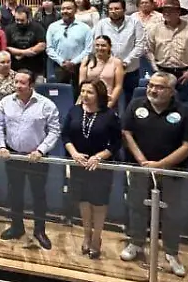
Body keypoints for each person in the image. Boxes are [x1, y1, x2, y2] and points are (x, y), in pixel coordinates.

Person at [119, 72, 188, 277]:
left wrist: (160, 165)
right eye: (151, 85)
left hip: (173, 173)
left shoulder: (185, 113)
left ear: (172, 91)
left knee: (173, 214)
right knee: (137, 207)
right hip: (141, 169)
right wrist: (143, 161)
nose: (153, 90)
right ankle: (136, 243)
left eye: (159, 87)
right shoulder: (136, 105)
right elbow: (126, 133)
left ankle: (171, 252)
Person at [0, 70, 60, 250]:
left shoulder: (46, 105)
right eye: (16, 82)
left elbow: (54, 131)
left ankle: (40, 231)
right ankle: (17, 227)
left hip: (37, 158)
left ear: (31, 85)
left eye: (22, 83)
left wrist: (41, 150)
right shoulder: (5, 102)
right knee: (14, 193)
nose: (18, 86)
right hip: (13, 155)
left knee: (39, 195)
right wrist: (1, 146)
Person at [62, 80, 121, 259]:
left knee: (98, 203)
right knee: (84, 201)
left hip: (100, 166)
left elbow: (116, 143)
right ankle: (87, 235)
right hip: (79, 164)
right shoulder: (74, 111)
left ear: (99, 95)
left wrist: (99, 156)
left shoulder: (109, 115)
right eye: (83, 91)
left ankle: (96, 238)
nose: (85, 96)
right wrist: (74, 153)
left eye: (90, 92)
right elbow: (65, 135)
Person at [144, 0, 188, 101]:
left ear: (178, 12)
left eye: (170, 10)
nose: (166, 13)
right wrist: (155, 69)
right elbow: (149, 50)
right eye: (164, 11)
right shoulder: (154, 29)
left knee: (182, 104)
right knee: (160, 102)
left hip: (183, 73)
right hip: (161, 71)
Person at [94, 0, 146, 108]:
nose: (113, 11)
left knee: (130, 101)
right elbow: (98, 45)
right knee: (108, 100)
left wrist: (126, 62)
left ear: (124, 10)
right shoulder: (102, 24)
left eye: (117, 8)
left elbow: (140, 46)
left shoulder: (135, 22)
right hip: (108, 69)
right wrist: (113, 63)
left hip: (130, 69)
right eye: (111, 9)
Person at [45, 0, 93, 88]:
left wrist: (73, 62)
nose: (65, 11)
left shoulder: (85, 28)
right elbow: (49, 48)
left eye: (68, 8)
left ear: (75, 10)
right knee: (59, 93)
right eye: (63, 9)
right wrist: (62, 62)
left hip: (79, 67)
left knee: (78, 92)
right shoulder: (52, 27)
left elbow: (88, 49)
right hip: (59, 66)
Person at [79, 36, 124, 105]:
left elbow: (118, 86)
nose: (100, 48)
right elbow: (82, 83)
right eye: (97, 45)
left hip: (108, 99)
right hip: (88, 98)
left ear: (109, 47)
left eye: (103, 46)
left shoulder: (117, 62)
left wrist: (110, 103)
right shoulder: (86, 60)